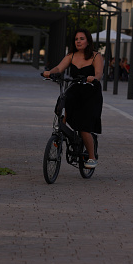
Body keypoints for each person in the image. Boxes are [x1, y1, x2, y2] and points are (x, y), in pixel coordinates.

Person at [42, 28, 104, 169]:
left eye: (81, 39)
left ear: (88, 41)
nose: (78, 41)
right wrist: (50, 73)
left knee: (84, 127)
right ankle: (60, 133)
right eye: (76, 39)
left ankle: (92, 157)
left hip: (91, 93)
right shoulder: (71, 55)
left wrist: (93, 78)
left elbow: (99, 73)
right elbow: (59, 68)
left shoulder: (96, 56)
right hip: (75, 90)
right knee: (62, 104)